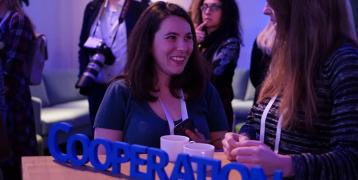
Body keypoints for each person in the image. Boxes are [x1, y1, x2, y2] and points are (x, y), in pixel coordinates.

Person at [222, 0, 358, 179]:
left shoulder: (344, 62)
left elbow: (351, 160)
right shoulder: (284, 57)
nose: (265, 10)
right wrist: (244, 139)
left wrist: (286, 165)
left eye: (273, 2)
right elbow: (255, 121)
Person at [94, 1, 228, 150]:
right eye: (172, 37)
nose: (183, 47)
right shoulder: (121, 92)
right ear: (149, 43)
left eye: (188, 37)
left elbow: (223, 152)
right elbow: (103, 159)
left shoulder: (204, 90)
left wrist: (206, 148)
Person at [77, 0, 148, 126]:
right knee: (97, 136)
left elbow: (144, 47)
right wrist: (84, 76)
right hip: (96, 88)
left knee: (125, 137)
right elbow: (83, 46)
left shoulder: (138, 8)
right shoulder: (92, 7)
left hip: (126, 88)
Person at [0, 0, 38, 179]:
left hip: (13, 101)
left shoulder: (18, 21)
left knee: (18, 159)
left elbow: (11, 67)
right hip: (5, 100)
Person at [190, 0, 242, 131]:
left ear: (226, 12)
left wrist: (193, 46)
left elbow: (212, 75)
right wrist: (190, 42)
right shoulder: (200, 40)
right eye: (205, 7)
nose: (207, 12)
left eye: (214, 7)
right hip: (196, 104)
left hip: (217, 109)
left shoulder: (230, 43)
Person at [250, 4, 276, 102]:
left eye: (272, 3)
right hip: (262, 104)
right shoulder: (261, 41)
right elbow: (255, 78)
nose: (265, 11)